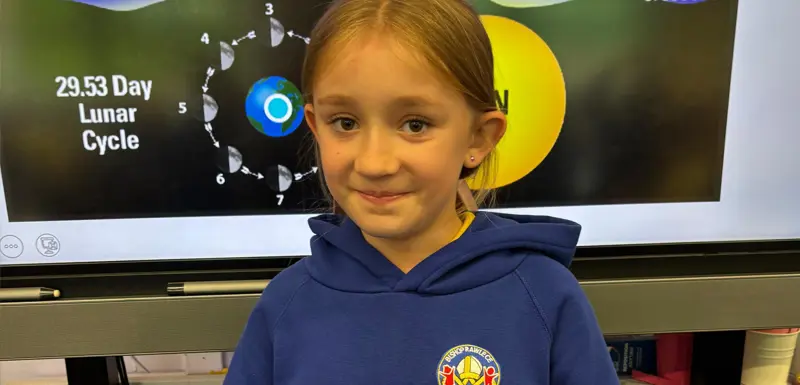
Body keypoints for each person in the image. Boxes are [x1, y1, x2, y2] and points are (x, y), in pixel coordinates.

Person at [223, 0, 618, 384]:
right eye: (345, 122)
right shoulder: (285, 303)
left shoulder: (546, 296)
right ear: (314, 125)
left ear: (479, 137)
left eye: (415, 125)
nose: (375, 163)